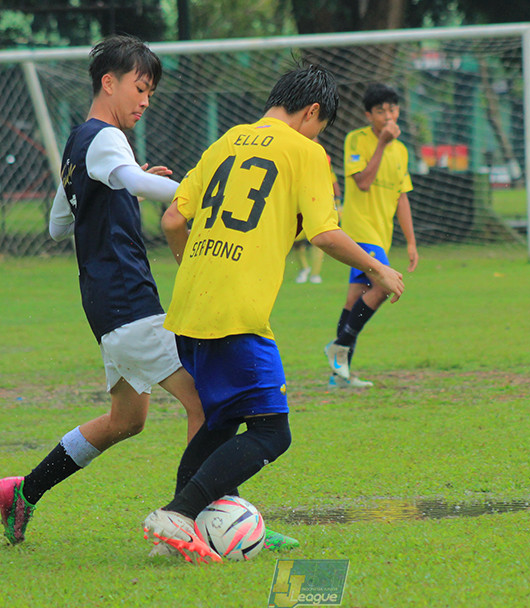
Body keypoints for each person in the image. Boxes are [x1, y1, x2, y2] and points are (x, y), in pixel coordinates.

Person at [0, 36, 298, 556]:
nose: (146, 100)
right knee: (208, 404)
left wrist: (122, 184)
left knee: (125, 421)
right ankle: (194, 522)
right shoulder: (106, 137)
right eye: (140, 87)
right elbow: (132, 181)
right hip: (129, 303)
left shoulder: (78, 143)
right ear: (108, 82)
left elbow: (58, 224)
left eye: (150, 91)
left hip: (106, 307)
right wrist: (202, 194)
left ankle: (23, 491)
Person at [144, 63, 405, 564]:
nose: (317, 136)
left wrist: (194, 265)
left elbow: (174, 218)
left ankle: (181, 530)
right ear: (312, 113)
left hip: (189, 303)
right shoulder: (305, 152)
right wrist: (378, 269)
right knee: (271, 431)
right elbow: (324, 233)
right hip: (236, 313)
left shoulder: (225, 141)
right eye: (320, 127)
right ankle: (178, 513)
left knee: (220, 422)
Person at [323, 83, 419, 389]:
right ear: (369, 115)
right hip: (359, 229)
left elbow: (402, 197)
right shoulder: (357, 139)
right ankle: (339, 347)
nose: (388, 115)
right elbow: (363, 182)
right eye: (380, 111)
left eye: (392, 109)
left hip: (381, 234)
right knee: (384, 286)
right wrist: (381, 144)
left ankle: (340, 375)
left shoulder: (401, 150)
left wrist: (411, 242)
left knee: (355, 299)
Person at [292, 139, 340, 284]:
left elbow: (332, 179)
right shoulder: (295, 155)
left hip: (317, 202)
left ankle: (315, 274)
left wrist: (338, 199)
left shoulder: (323, 157)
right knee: (296, 240)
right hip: (299, 203)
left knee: (319, 236)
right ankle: (304, 268)